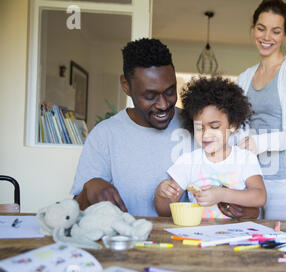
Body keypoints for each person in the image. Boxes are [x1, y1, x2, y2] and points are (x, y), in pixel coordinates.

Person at [70, 38, 188, 216]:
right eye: (150, 95)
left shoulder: (198, 127)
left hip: (187, 241)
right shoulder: (105, 135)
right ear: (126, 85)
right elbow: (75, 211)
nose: (163, 105)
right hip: (126, 241)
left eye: (170, 91)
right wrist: (89, 189)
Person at [236, 0, 286, 220]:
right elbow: (237, 126)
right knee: (248, 248)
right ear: (253, 28)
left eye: (276, 31)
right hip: (250, 181)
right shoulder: (244, 78)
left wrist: (260, 144)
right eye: (261, 28)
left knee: (283, 250)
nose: (266, 37)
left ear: (285, 34)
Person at [154, 77, 266, 219]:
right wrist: (160, 194)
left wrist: (221, 194)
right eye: (200, 128)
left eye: (214, 127)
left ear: (233, 124)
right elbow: (164, 212)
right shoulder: (188, 161)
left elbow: (260, 196)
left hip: (236, 236)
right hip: (198, 237)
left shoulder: (245, 158)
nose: (206, 135)